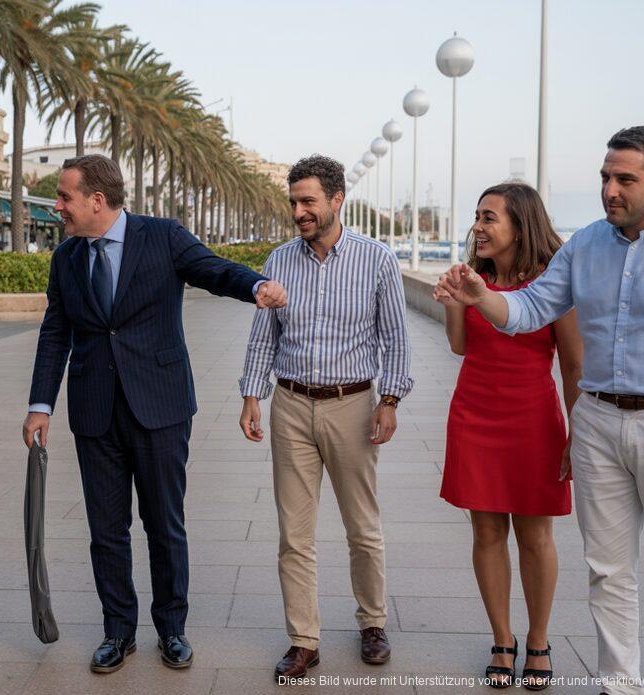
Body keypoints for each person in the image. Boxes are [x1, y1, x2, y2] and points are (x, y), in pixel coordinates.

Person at [436, 126, 644, 695]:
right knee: (608, 572)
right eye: (606, 177)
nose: (610, 189)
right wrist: (477, 295)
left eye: (624, 179)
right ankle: (619, 685)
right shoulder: (585, 245)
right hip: (599, 423)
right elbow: (532, 305)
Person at [23, 154, 288, 674]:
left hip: (161, 406)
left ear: (96, 200)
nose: (58, 206)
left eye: (64, 196)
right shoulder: (67, 259)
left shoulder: (162, 236)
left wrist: (255, 286)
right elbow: (55, 333)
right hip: (95, 410)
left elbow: (214, 270)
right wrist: (40, 404)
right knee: (106, 529)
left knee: (165, 524)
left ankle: (172, 629)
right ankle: (118, 631)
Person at [238, 155, 411, 680]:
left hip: (353, 406)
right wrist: (251, 394)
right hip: (290, 404)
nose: (299, 211)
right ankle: (303, 639)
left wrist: (390, 401)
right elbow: (265, 333)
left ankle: (373, 622)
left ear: (337, 200)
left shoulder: (376, 259)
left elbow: (395, 338)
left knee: (362, 526)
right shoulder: (280, 259)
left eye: (308, 201)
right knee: (294, 533)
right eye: (294, 202)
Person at [434, 183, 582, 690]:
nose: (479, 225)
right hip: (474, 414)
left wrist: (575, 432)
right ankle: (502, 638)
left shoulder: (553, 282)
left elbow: (574, 365)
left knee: (537, 537)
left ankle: (538, 640)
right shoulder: (475, 278)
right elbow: (459, 346)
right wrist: (456, 299)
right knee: (487, 533)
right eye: (477, 215)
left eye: (489, 217)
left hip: (534, 419)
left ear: (520, 224)